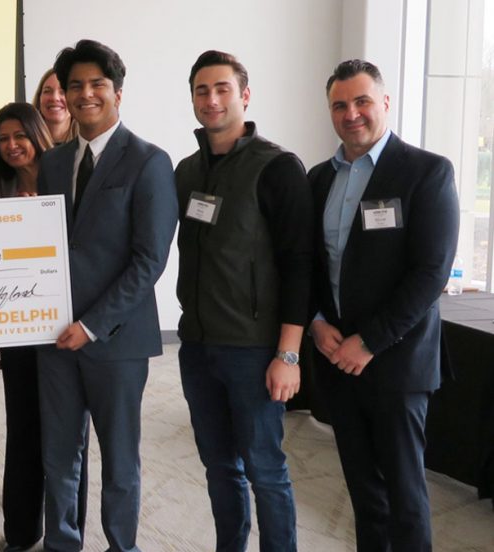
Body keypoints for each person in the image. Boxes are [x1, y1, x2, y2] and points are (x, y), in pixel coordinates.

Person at [309, 59, 458, 552]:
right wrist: (315, 323)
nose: (351, 113)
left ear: (385, 103)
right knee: (364, 493)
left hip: (396, 363)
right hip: (337, 361)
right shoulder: (317, 179)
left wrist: (369, 341)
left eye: (362, 101)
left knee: (404, 493)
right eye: (340, 104)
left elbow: (430, 273)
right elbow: (307, 263)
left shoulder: (426, 172)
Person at [36, 39, 178, 552]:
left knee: (120, 459)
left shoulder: (150, 162)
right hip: (50, 336)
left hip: (114, 339)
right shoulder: (53, 164)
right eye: (75, 85)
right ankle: (63, 543)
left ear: (118, 92)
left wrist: (92, 324)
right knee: (59, 455)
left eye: (97, 84)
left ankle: (123, 544)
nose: (85, 94)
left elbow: (149, 260)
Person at [174, 50, 311, 552]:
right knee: (218, 466)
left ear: (244, 96)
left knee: (266, 471)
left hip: (254, 351)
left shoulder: (277, 167)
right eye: (201, 91)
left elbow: (300, 264)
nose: (211, 100)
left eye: (222, 89)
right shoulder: (186, 171)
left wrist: (288, 354)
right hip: (197, 347)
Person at [0, 102, 87, 551]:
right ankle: (20, 533)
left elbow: (84, 246)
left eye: (19, 135)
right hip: (16, 329)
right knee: (22, 431)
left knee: (68, 437)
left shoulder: (66, 178)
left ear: (38, 134)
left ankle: (68, 532)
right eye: (2, 139)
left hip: (64, 328)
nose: (11, 146)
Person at [32, 68, 78, 145]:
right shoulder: (27, 146)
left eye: (63, 92)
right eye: (47, 91)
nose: (55, 98)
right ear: (39, 98)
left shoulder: (88, 146)